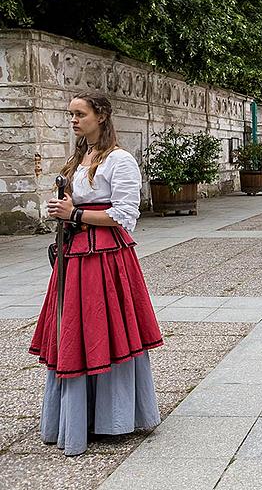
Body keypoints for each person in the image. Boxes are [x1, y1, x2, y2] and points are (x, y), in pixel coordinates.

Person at [29, 90, 163, 456]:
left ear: (101, 116)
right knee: (74, 327)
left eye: (79, 114)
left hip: (105, 257)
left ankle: (114, 416)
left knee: (107, 327)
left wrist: (74, 214)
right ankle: (78, 416)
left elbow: (125, 215)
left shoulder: (119, 160)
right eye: (70, 114)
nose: (73, 120)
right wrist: (61, 211)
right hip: (74, 254)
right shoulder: (78, 158)